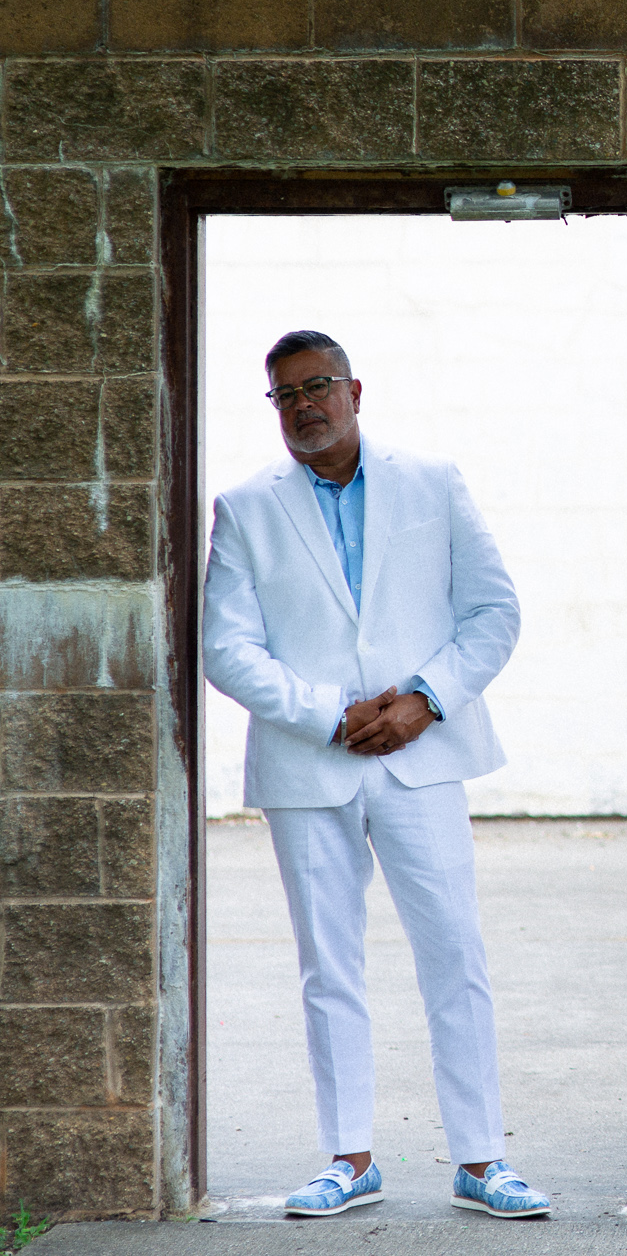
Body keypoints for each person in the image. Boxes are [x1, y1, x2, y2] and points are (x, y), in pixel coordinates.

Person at [203, 329, 551, 1220]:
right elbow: (225, 647)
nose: (304, 405)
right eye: (285, 395)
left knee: (454, 954)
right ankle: (350, 1157)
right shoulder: (244, 508)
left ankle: (482, 1161)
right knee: (329, 965)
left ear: (357, 390)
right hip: (306, 761)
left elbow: (492, 611)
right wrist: (329, 713)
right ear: (273, 407)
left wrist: (427, 700)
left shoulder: (431, 483)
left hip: (423, 755)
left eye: (318, 386)